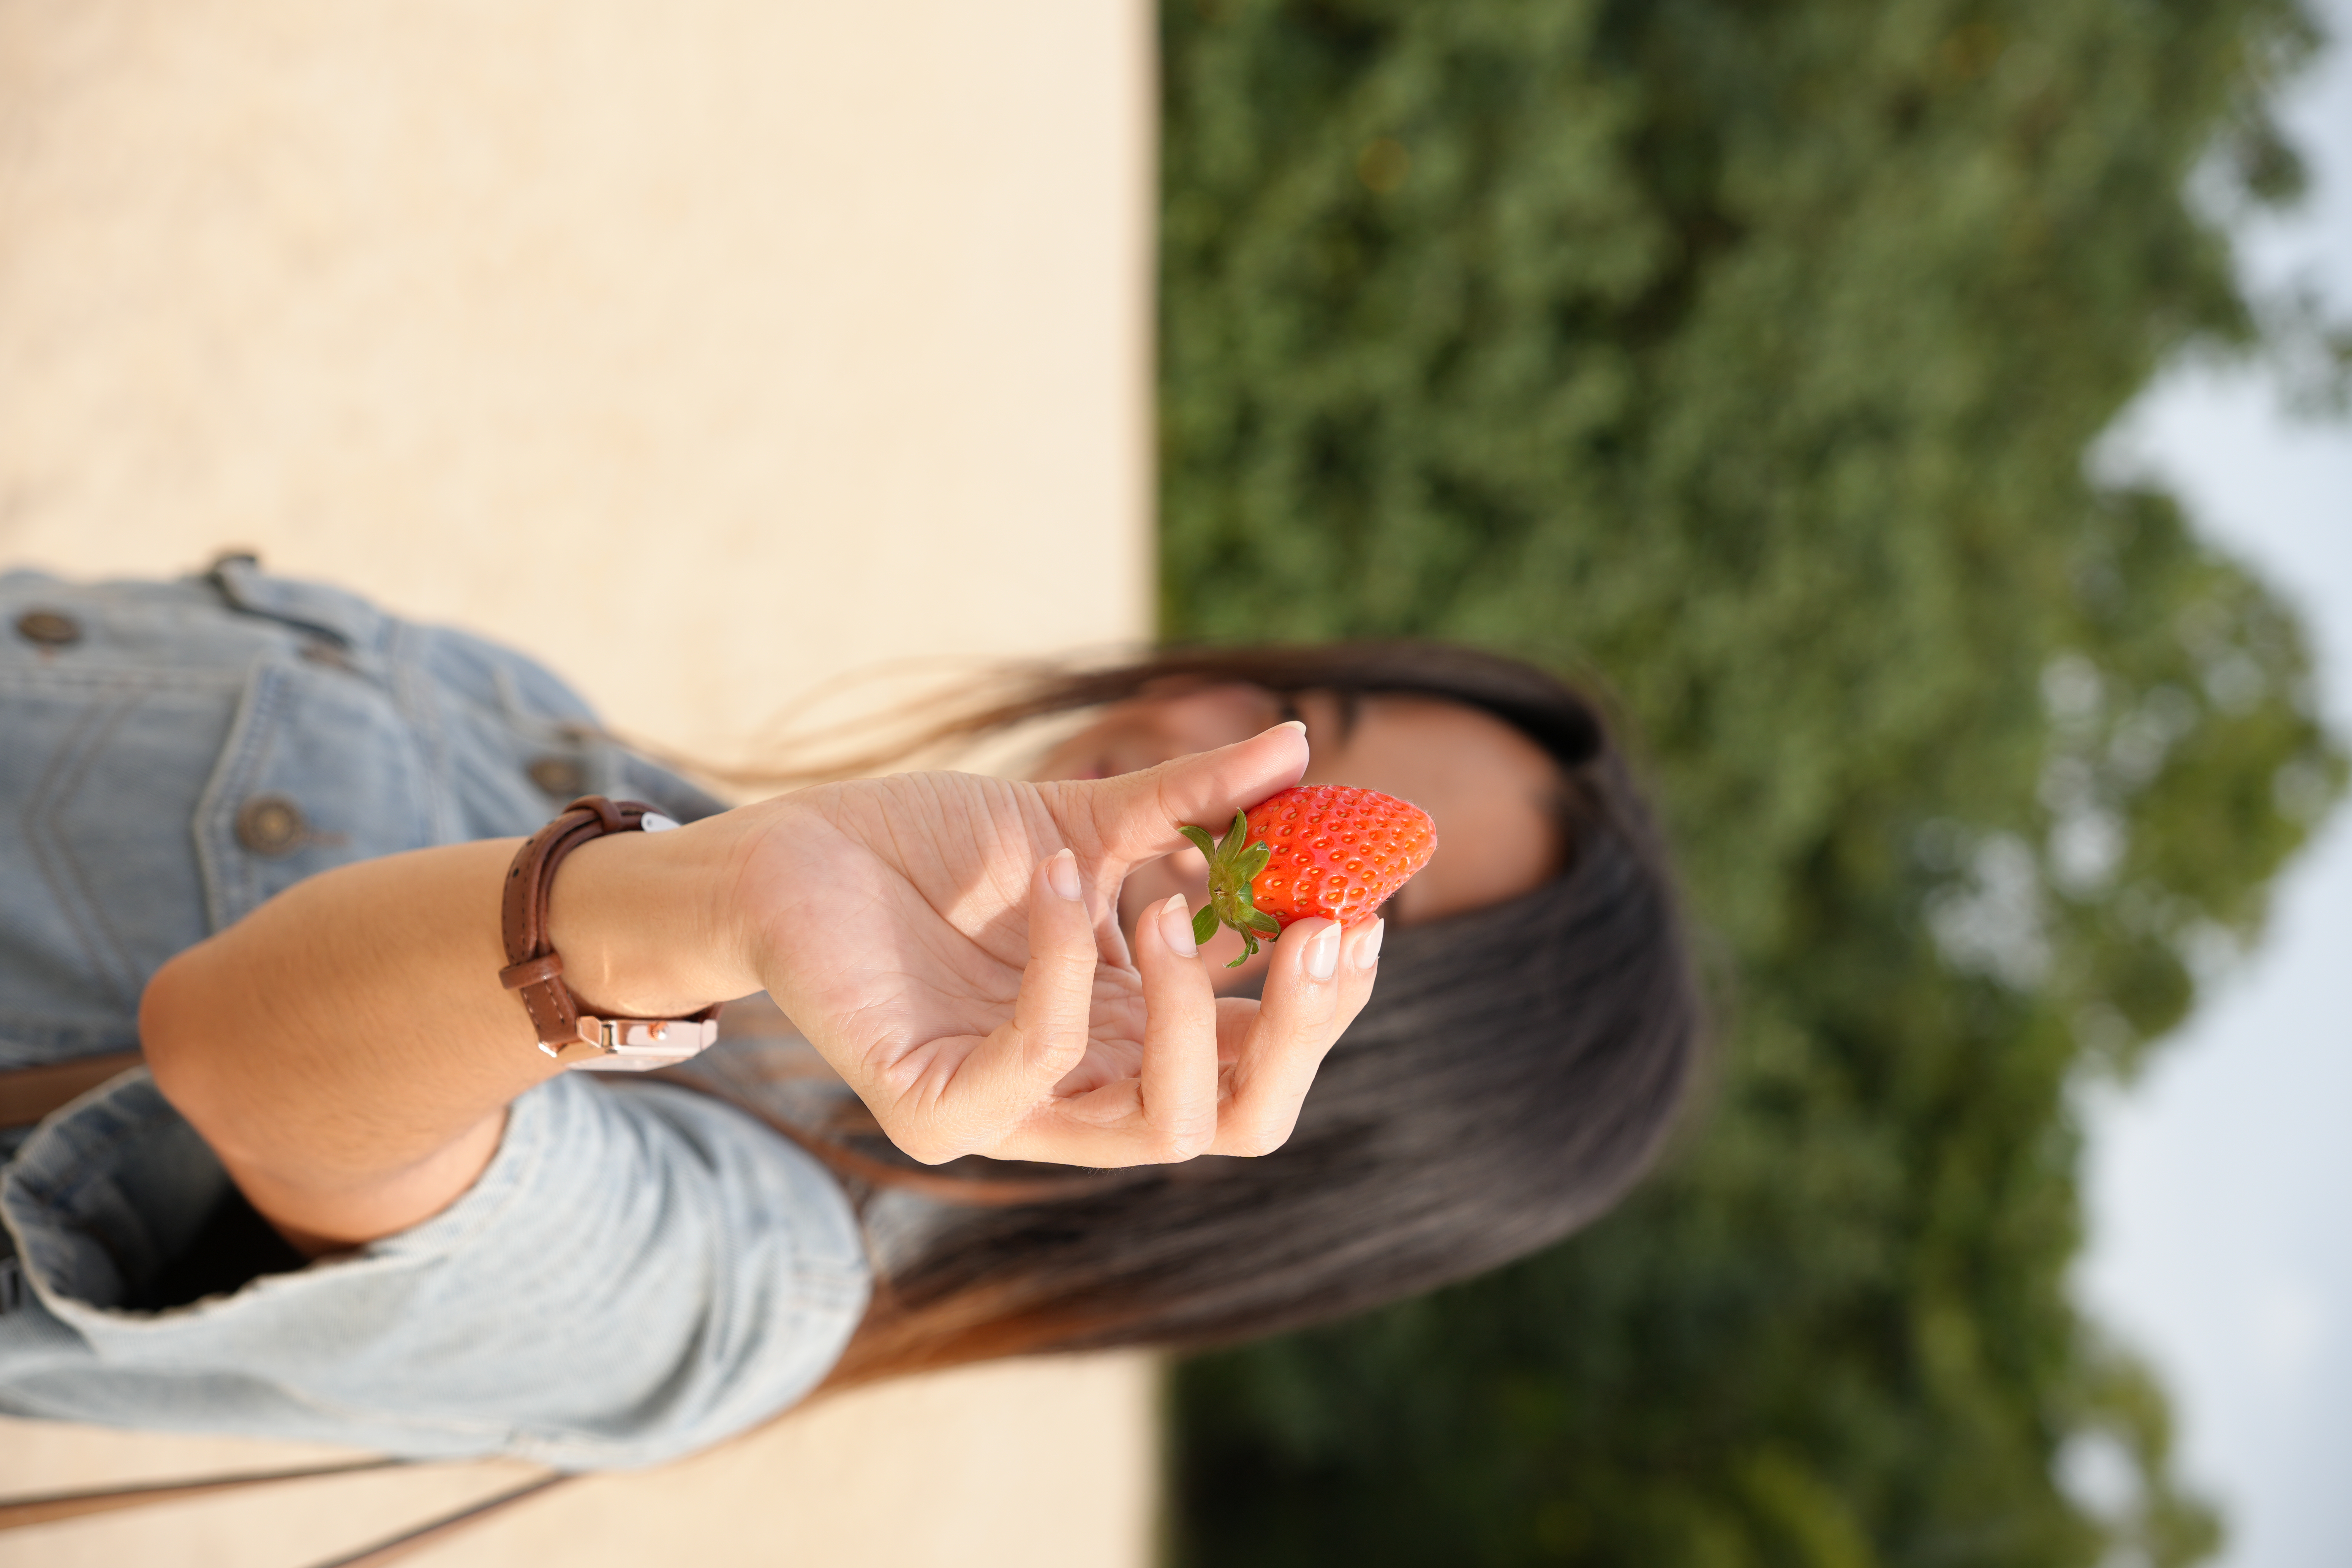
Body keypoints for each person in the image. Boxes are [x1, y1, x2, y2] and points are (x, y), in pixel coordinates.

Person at [0, 558, 1698, 1472]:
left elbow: (239, 1063)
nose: (1205, 740)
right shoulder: (599, 762)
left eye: (1308, 883)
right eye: (1296, 724)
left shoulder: (748, 1286)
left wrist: (715, 907)